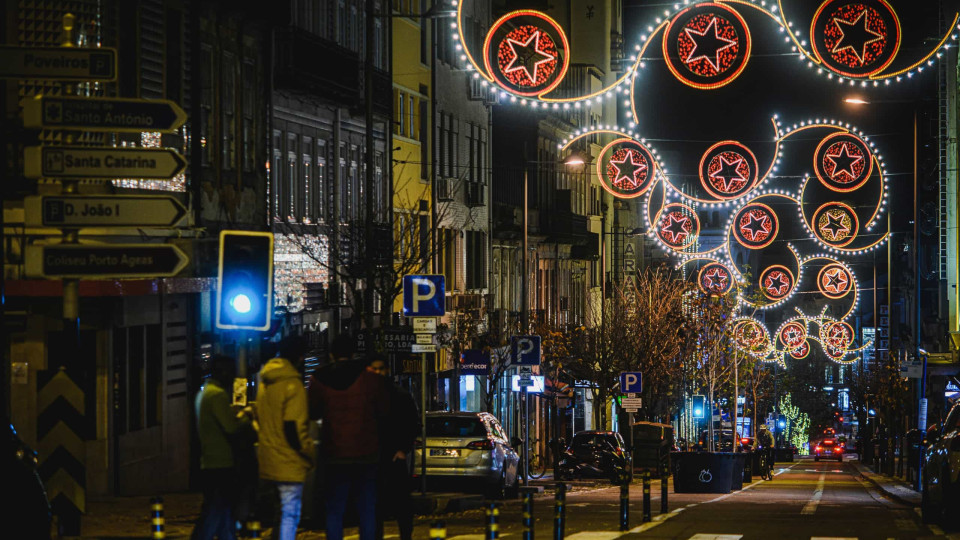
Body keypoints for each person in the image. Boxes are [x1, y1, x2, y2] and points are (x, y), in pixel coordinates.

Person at [308, 334, 389, 540]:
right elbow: (382, 410)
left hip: (334, 451)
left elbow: (313, 412)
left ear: (332, 354)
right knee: (366, 507)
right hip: (366, 451)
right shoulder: (369, 378)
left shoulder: (319, 378)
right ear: (353, 353)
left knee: (335, 508)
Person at [256, 337, 315, 540]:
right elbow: (294, 428)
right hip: (289, 460)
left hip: (268, 458)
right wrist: (309, 453)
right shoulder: (293, 385)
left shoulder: (265, 382)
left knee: (279, 513)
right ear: (300, 357)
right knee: (290, 513)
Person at [193, 355, 250, 540]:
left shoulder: (203, 393)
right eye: (231, 372)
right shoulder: (217, 395)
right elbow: (231, 428)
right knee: (216, 510)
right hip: (221, 462)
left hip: (209, 461)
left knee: (223, 510)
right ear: (223, 372)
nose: (233, 377)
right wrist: (246, 416)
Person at [368, 356, 418, 540]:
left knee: (401, 504)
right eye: (374, 369)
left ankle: (405, 535)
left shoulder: (399, 395)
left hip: (394, 457)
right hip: (373, 457)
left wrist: (403, 449)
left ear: (387, 370)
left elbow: (412, 424)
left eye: (381, 369)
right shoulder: (364, 396)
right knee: (376, 506)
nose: (378, 373)